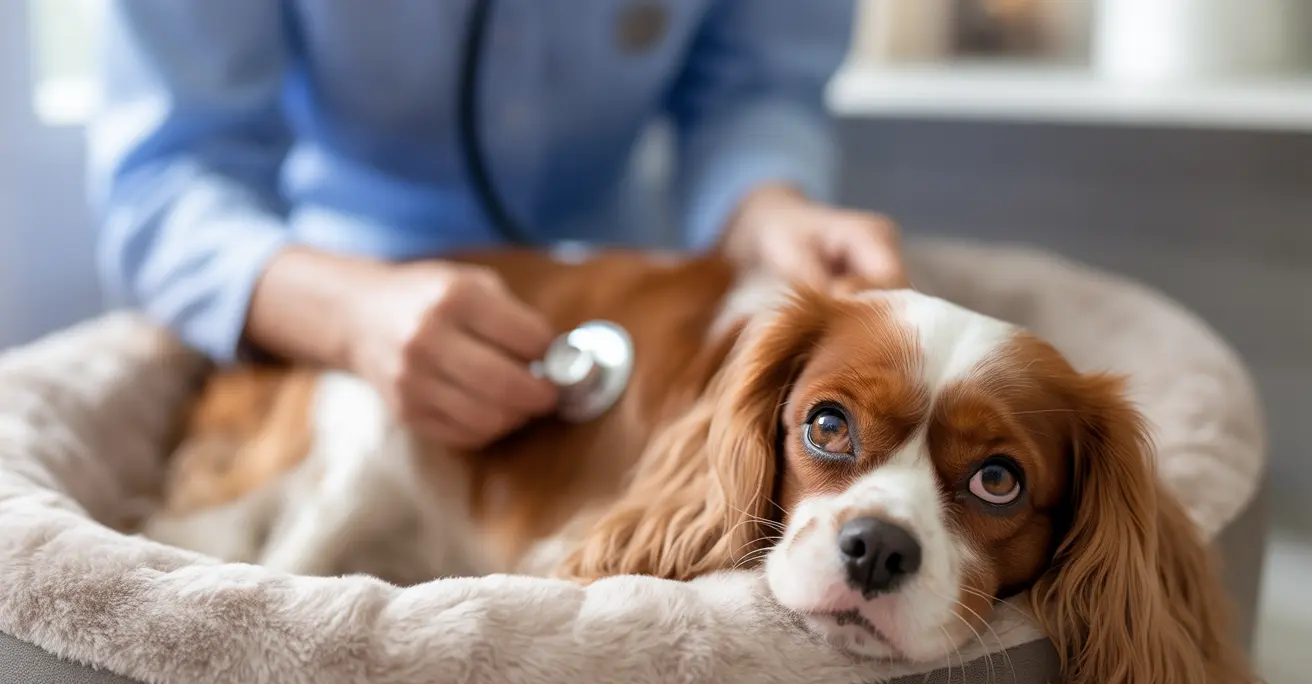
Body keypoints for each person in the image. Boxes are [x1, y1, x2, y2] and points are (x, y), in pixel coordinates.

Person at [89, 0, 905, 451]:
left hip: (627, 285)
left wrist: (765, 209)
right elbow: (164, 178)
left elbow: (754, 86)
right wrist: (348, 316)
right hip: (336, 291)